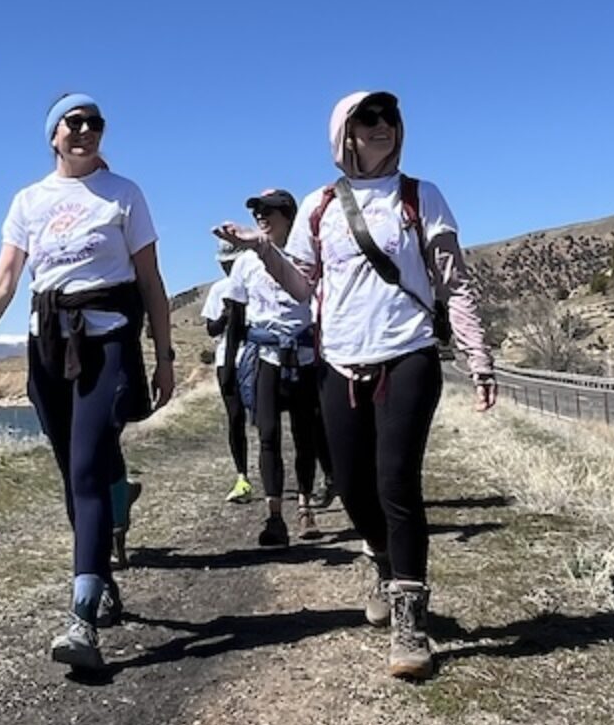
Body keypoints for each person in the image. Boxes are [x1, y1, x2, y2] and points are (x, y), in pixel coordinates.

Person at [215, 91, 496, 679]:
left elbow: (454, 281)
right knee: (351, 488)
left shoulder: (421, 197)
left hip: (408, 356)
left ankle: (410, 623)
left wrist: (477, 353)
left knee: (397, 484)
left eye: (389, 116)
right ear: (343, 133)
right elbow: (303, 287)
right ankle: (384, 560)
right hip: (338, 363)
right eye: (367, 118)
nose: (382, 126)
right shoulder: (320, 206)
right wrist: (264, 249)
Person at [0, 93, 176, 671]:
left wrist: (165, 355)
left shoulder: (124, 195)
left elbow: (152, 280)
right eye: (72, 123)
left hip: (105, 342)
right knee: (70, 468)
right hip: (46, 343)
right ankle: (100, 576)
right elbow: (6, 276)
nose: (84, 131)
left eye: (94, 124)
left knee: (87, 465)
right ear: (52, 135)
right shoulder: (29, 200)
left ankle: (81, 620)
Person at [227, 188, 324, 547]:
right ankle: (274, 517)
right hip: (265, 356)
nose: (261, 218)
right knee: (268, 435)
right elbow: (236, 314)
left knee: (305, 435)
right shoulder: (244, 262)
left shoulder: (309, 257)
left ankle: (304, 506)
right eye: (257, 212)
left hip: (304, 357)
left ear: (288, 215)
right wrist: (229, 367)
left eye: (269, 211)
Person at [200, 238, 254, 503]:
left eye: (231, 263)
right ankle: (242, 475)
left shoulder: (255, 283)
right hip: (226, 360)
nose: (228, 268)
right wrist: (225, 315)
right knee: (235, 419)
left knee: (265, 420)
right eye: (224, 264)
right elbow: (211, 328)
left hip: (254, 356)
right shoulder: (218, 289)